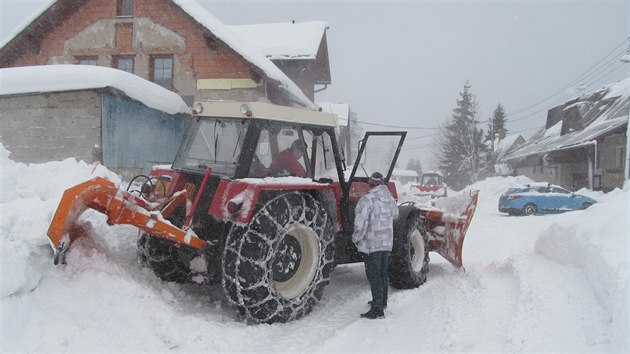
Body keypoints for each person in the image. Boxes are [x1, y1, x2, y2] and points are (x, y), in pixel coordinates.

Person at [352, 172, 399, 319]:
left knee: (374, 275)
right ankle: (382, 300)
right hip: (386, 243)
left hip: (372, 244)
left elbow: (360, 224)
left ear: (370, 183)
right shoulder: (389, 199)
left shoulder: (367, 200)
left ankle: (377, 309)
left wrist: (355, 239)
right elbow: (396, 214)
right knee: (382, 274)